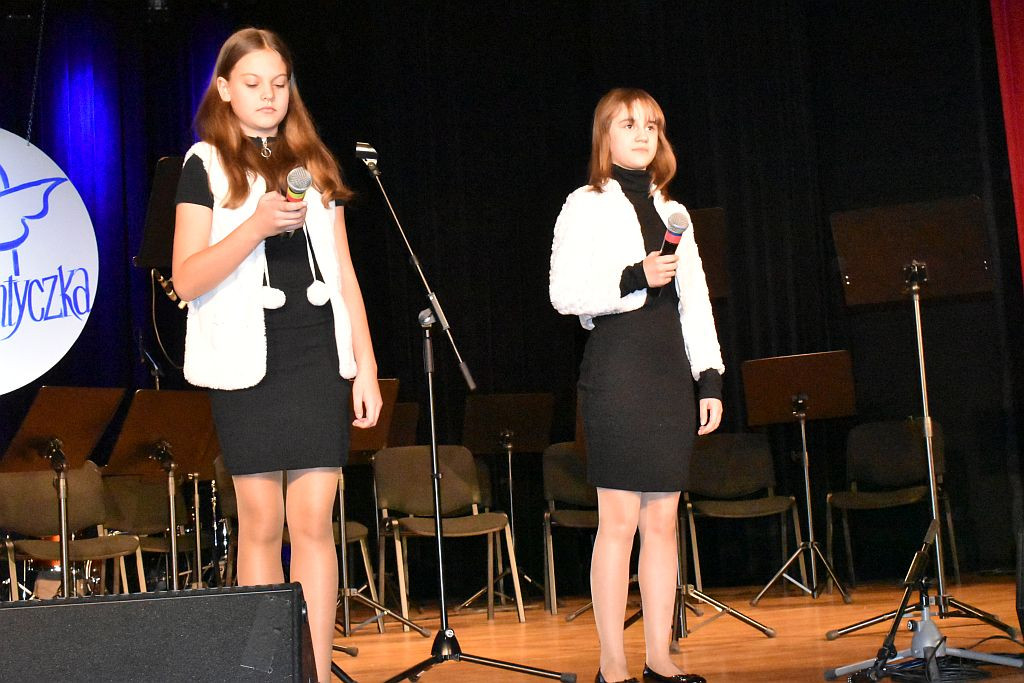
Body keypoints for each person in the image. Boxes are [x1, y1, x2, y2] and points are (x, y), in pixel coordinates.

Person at [172, 28, 382, 683]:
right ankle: (270, 671)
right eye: (253, 83)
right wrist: (256, 226)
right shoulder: (204, 165)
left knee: (314, 522)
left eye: (279, 83)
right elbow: (186, 277)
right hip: (246, 361)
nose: (268, 95)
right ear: (225, 90)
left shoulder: (315, 163)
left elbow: (344, 272)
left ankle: (313, 669)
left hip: (316, 356)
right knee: (261, 522)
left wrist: (366, 365)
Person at [549, 88, 724, 683]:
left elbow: (696, 301)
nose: (643, 133)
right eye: (629, 124)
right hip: (618, 369)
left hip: (669, 373)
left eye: (652, 124)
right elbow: (564, 294)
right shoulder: (584, 205)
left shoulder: (675, 210)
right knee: (619, 522)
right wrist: (635, 276)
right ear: (605, 136)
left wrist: (709, 378)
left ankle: (659, 658)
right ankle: (613, 664)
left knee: (663, 523)